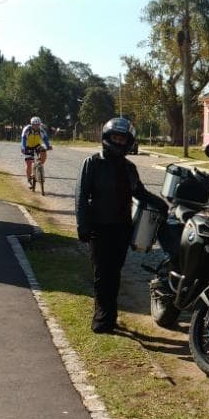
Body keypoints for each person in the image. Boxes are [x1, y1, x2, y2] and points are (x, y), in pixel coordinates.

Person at [75, 117, 166, 334]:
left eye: (122, 138)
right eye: (115, 137)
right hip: (98, 227)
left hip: (122, 229)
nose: (118, 141)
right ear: (107, 138)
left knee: (114, 273)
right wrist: (82, 224)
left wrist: (161, 203)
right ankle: (101, 320)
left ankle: (111, 315)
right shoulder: (92, 163)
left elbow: (140, 193)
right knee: (101, 274)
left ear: (128, 141)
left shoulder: (129, 168)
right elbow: (81, 196)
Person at [21, 116, 52, 185]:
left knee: (43, 150)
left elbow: (45, 139)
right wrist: (23, 147)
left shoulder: (41, 130)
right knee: (29, 164)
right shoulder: (27, 129)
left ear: (39, 124)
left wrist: (48, 146)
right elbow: (23, 139)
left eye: (37, 125)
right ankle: (29, 180)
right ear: (31, 124)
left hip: (37, 146)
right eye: (34, 125)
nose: (36, 126)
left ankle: (40, 166)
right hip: (28, 146)